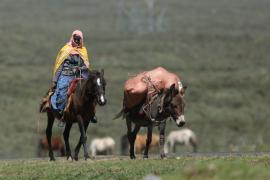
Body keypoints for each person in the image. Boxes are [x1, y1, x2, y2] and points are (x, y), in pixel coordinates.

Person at [40, 30, 97, 125]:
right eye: (75, 38)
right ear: (72, 38)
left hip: (80, 74)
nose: (77, 41)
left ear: (82, 39)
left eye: (79, 39)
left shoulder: (83, 50)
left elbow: (86, 65)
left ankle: (92, 113)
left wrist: (81, 68)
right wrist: (55, 80)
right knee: (62, 91)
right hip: (66, 75)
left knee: (92, 88)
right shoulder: (66, 49)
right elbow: (59, 66)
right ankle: (63, 114)